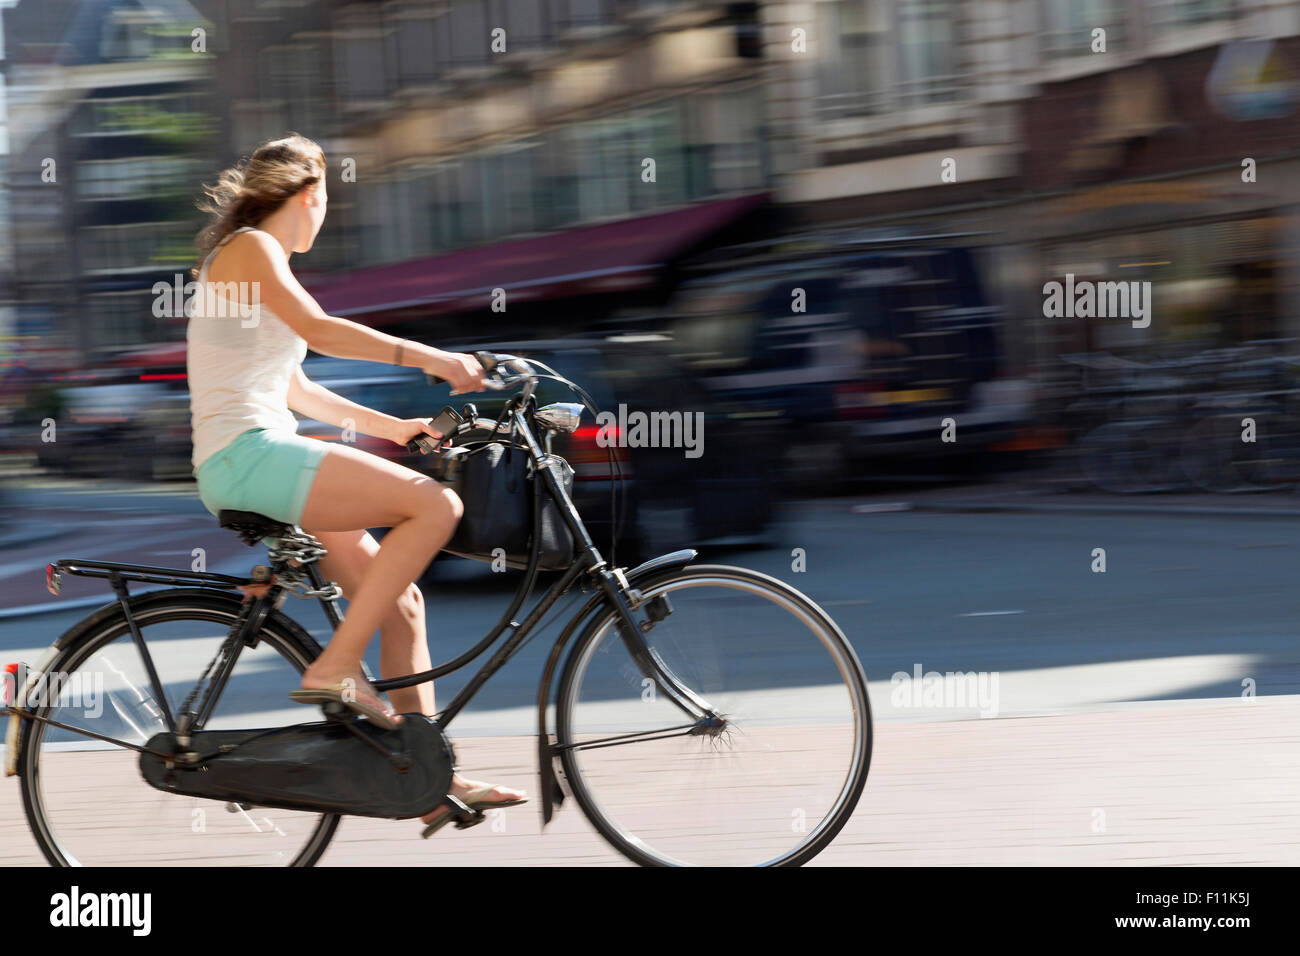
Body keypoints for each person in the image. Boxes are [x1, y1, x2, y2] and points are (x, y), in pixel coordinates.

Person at [188, 133, 525, 835]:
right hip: (248, 455)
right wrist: (432, 359)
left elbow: (299, 387)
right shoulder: (253, 248)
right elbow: (321, 330)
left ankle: (431, 778)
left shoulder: (256, 257)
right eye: (327, 204)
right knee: (435, 505)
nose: (325, 218)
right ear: (310, 195)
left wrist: (393, 426)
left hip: (260, 450)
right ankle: (338, 666)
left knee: (401, 604)